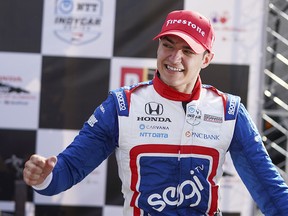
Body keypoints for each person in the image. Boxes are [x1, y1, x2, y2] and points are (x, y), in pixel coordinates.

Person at [23, 10, 288, 216]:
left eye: (187, 51)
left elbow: (270, 191)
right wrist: (44, 177)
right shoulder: (122, 106)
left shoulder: (229, 111)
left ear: (206, 59)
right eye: (168, 45)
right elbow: (68, 169)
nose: (174, 58)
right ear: (158, 46)